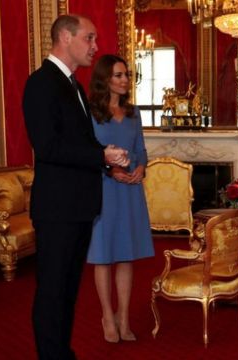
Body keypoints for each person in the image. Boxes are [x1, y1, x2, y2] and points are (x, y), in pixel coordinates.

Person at [22, 14, 130, 359]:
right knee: (53, 290)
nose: (95, 47)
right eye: (90, 38)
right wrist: (101, 156)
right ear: (65, 38)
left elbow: (77, 142)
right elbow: (48, 146)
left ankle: (61, 352)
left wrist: (104, 155)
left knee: (68, 291)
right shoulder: (42, 83)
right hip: (58, 209)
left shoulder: (74, 85)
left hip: (78, 207)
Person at [86, 54, 154, 343]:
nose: (125, 79)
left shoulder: (133, 113)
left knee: (126, 256)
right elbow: (86, 153)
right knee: (103, 256)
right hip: (103, 189)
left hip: (130, 190)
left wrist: (140, 167)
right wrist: (110, 170)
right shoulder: (89, 113)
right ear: (104, 79)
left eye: (127, 74)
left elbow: (141, 150)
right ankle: (106, 316)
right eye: (118, 75)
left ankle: (124, 318)